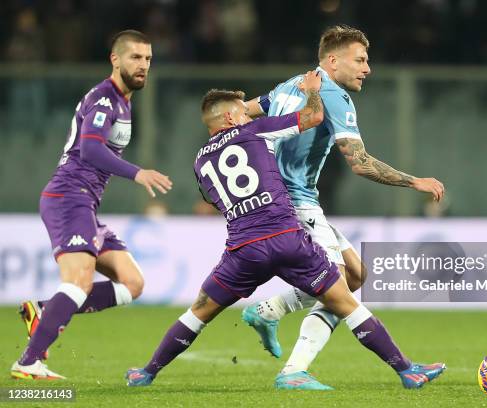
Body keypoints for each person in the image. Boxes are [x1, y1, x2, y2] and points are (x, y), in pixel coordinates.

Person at [125, 76, 445, 390]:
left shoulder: (200, 160)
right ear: (228, 117)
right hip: (286, 238)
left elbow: (213, 199)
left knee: (199, 311)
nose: (246, 113)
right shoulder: (254, 131)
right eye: (240, 110)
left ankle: (146, 372)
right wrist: (312, 92)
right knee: (346, 302)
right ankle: (406, 370)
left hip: (243, 249)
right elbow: (313, 117)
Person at [241, 25, 445, 389]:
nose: (367, 68)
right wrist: (415, 181)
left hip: (285, 199)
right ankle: (296, 371)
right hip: (294, 203)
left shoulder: (292, 84)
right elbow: (360, 162)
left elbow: (243, 112)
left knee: (354, 275)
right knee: (334, 283)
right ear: (333, 62)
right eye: (361, 60)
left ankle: (268, 310)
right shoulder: (333, 96)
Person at [10, 30, 173, 380]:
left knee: (133, 283)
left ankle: (45, 310)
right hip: (69, 197)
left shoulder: (124, 100)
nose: (143, 65)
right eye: (135, 58)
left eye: (147, 59)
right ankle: (28, 362)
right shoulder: (104, 99)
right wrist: (137, 173)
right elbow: (91, 149)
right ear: (115, 59)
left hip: (85, 203)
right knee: (79, 281)